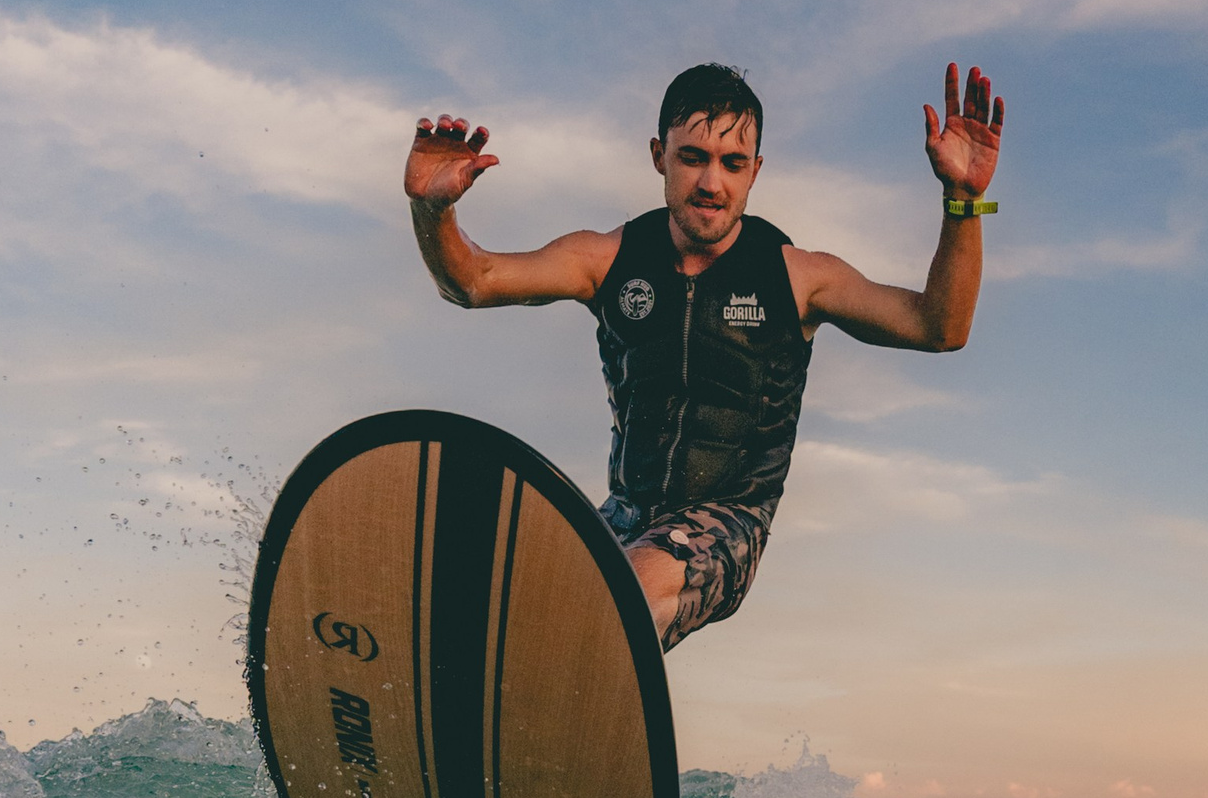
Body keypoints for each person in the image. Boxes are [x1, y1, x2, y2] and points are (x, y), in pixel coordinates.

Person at [402, 59, 1003, 649]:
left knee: (625, 591)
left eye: (732, 163)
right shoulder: (606, 259)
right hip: (626, 512)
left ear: (755, 172)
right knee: (514, 607)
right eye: (692, 158)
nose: (711, 182)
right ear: (659, 155)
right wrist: (433, 210)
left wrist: (963, 199)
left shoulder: (798, 279)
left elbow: (939, 326)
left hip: (727, 522)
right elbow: (473, 282)